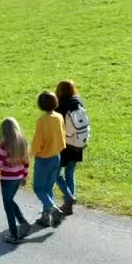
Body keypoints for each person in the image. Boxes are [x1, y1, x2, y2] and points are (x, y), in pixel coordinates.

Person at [0, 118, 32, 244]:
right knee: (10, 201)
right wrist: (24, 176)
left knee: (8, 206)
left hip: (7, 180)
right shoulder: (22, 141)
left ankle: (14, 235)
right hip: (18, 178)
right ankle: (24, 223)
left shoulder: (4, 144)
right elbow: (27, 161)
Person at [31, 91, 66, 228]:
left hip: (43, 158)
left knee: (38, 188)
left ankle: (52, 208)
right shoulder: (59, 117)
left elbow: (38, 141)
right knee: (48, 188)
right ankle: (45, 217)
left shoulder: (42, 121)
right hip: (56, 156)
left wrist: (31, 152)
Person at [55, 79, 90, 216]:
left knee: (56, 174)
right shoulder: (78, 103)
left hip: (65, 144)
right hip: (78, 143)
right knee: (70, 173)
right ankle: (69, 205)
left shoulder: (60, 106)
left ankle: (68, 197)